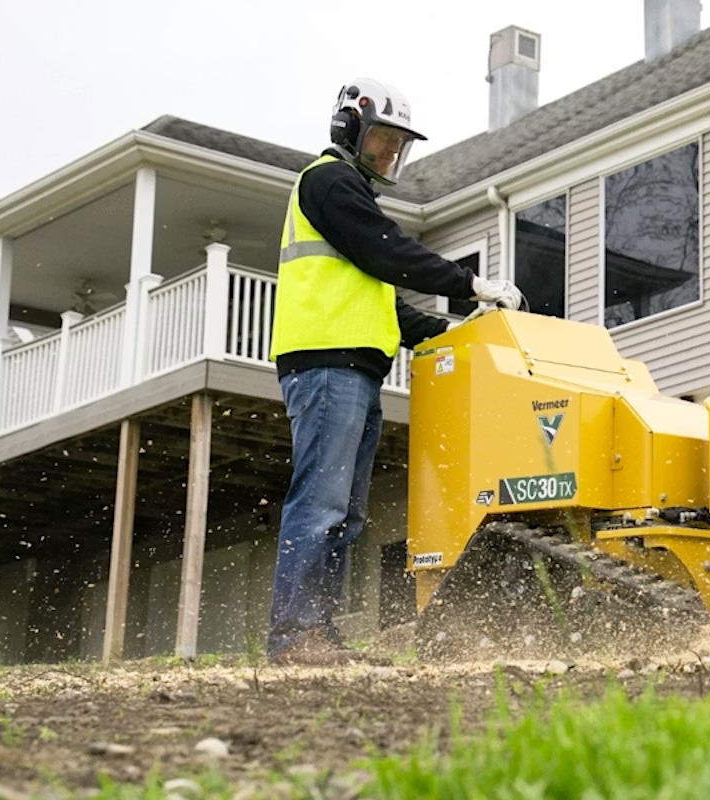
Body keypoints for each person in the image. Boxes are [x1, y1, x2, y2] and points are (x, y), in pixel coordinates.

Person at [265, 77, 524, 665]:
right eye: (381, 139)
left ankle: (318, 634)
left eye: (396, 145)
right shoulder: (328, 183)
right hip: (327, 365)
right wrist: (469, 285)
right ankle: (294, 636)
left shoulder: (351, 201)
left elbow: (384, 306)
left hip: (354, 368)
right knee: (321, 505)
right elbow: (389, 251)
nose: (388, 153)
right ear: (349, 129)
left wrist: (449, 330)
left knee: (346, 514)